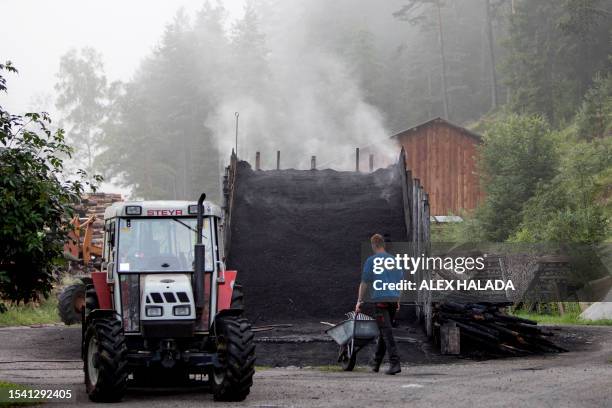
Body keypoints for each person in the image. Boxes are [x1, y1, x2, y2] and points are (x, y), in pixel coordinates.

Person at [355, 233, 402, 375]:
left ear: (373, 246)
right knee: (384, 330)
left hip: (380, 301)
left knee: (386, 332)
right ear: (383, 245)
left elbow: (364, 282)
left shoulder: (371, 261)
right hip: (393, 300)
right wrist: (398, 300)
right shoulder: (394, 260)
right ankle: (376, 363)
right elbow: (400, 282)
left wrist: (359, 301)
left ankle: (395, 363)